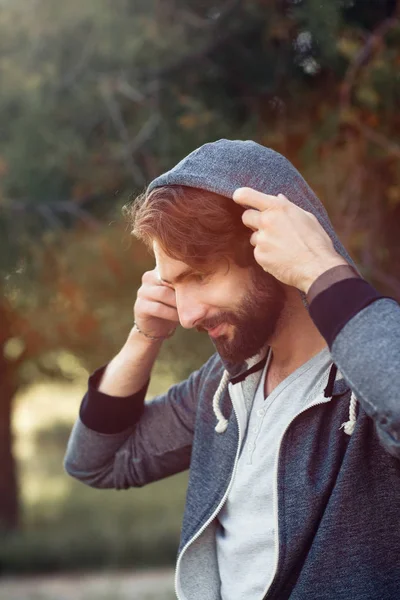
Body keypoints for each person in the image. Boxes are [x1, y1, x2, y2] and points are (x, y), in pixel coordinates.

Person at [64, 139, 400, 600]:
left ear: (272, 251)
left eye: (199, 276)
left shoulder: (367, 381)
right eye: (172, 284)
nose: (186, 315)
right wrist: (144, 337)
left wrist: (321, 268)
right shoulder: (222, 386)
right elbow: (96, 463)